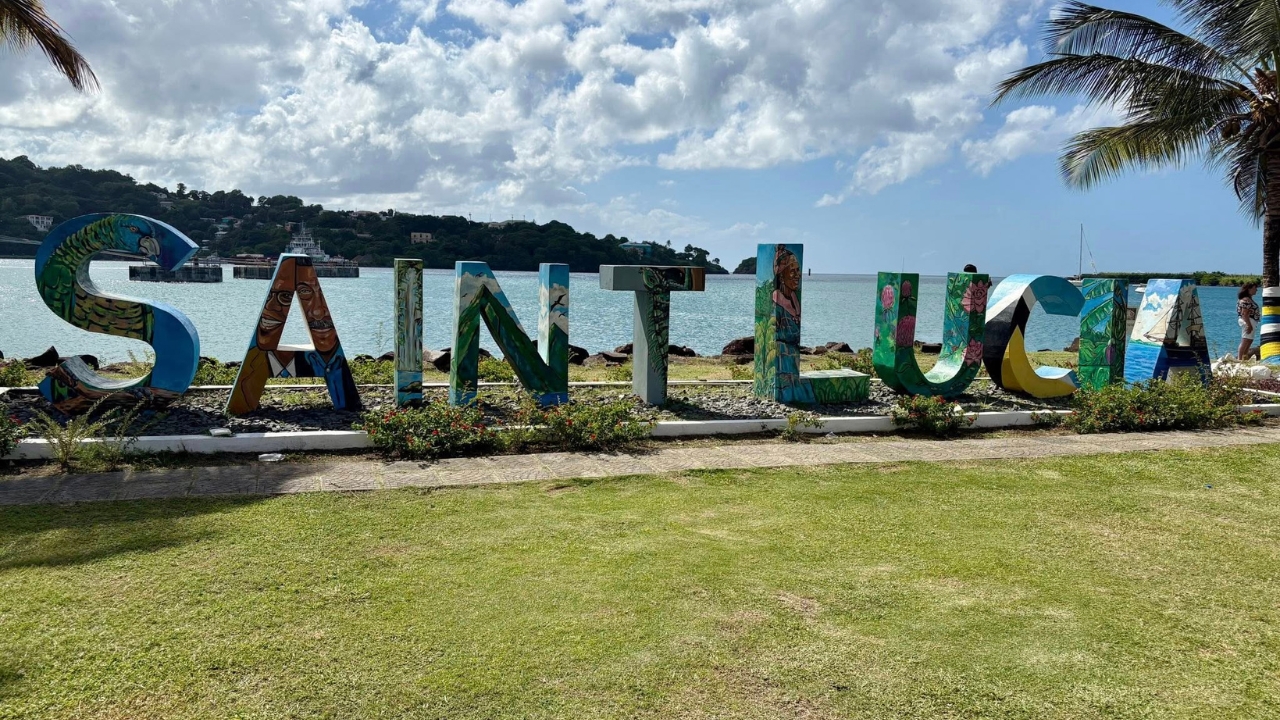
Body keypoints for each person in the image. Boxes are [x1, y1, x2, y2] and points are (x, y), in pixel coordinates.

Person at [1238, 282, 1261, 360]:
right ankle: (1240, 359)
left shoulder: (1249, 299)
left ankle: (1244, 357)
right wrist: (1249, 325)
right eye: (1254, 288)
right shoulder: (1246, 300)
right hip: (1248, 320)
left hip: (1252, 320)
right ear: (1249, 289)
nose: (1256, 290)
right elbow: (1244, 313)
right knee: (1245, 340)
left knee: (1249, 340)